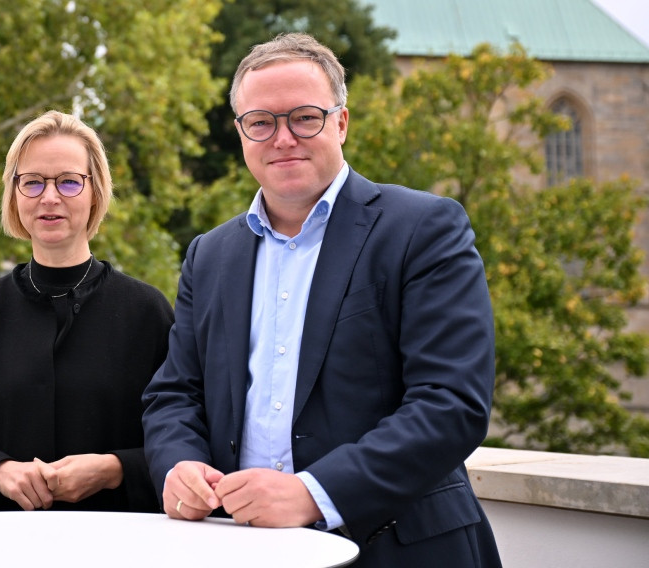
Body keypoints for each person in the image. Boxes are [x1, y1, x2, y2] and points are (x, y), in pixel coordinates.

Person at [141, 33, 502, 567]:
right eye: (261, 122)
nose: (282, 137)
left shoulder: (423, 229)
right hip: (241, 548)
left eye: (304, 117)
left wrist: (314, 491)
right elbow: (175, 393)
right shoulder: (209, 255)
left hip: (396, 548)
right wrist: (179, 466)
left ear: (341, 123)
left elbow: (451, 403)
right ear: (241, 133)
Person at [0, 110, 174, 513]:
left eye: (69, 181)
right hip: (3, 548)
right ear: (15, 195)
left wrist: (114, 468)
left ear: (95, 192)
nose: (50, 197)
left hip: (119, 546)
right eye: (32, 182)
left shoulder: (146, 313)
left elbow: (183, 438)